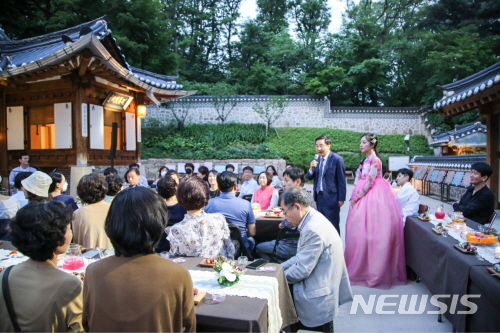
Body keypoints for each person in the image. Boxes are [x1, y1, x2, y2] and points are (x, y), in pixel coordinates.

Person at [82, 187, 196, 332]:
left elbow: (87, 323)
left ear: (112, 225)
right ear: (159, 224)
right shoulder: (177, 274)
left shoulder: (93, 271)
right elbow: (189, 326)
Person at [0, 201, 83, 332]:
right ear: (57, 237)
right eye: (68, 228)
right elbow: (80, 328)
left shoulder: (5, 275)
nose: (70, 232)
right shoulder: (70, 284)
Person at [280, 187, 352, 332]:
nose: (285, 216)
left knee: (276, 297)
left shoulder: (312, 228)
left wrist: (276, 278)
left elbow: (300, 271)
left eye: (285, 212)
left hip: (319, 291)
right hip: (324, 279)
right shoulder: (314, 217)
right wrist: (279, 268)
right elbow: (300, 257)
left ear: (297, 207)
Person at [344, 133, 406, 289]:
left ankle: (374, 272)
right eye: (360, 142)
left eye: (364, 142)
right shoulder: (364, 160)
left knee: (374, 232)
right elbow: (359, 178)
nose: (361, 144)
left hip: (374, 196)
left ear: (372, 145)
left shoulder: (375, 160)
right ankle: (362, 267)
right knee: (358, 232)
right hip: (362, 194)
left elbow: (370, 181)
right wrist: (354, 195)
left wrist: (357, 197)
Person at [167, 177, 234, 258]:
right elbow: (230, 249)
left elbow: (174, 258)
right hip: (218, 268)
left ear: (180, 199)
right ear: (205, 197)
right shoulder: (219, 219)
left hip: (190, 269)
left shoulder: (175, 230)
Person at [255, 167, 310, 263]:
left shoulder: (298, 199)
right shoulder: (304, 196)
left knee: (258, 247)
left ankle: (279, 266)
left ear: (297, 182)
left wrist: (285, 223)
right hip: (296, 242)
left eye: (286, 180)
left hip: (292, 244)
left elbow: (295, 223)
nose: (283, 183)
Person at [205, 171, 256, 251]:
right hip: (240, 249)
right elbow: (252, 232)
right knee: (252, 241)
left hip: (216, 248)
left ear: (218, 187)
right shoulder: (246, 204)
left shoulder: (208, 204)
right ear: (235, 186)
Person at [306, 135, 347, 235]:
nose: (319, 148)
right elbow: (308, 177)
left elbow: (341, 180)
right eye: (316, 146)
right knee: (320, 226)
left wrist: (341, 198)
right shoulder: (316, 160)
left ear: (328, 145)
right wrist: (311, 168)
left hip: (332, 198)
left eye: (321, 145)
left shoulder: (337, 159)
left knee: (332, 226)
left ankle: (336, 248)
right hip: (318, 198)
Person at [72, 173, 112, 249]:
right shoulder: (114, 208)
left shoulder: (77, 213)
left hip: (86, 257)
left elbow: (76, 241)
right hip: (111, 256)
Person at [155, 176, 188, 253]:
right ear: (176, 188)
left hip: (160, 249)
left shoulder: (155, 209)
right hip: (180, 249)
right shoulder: (184, 207)